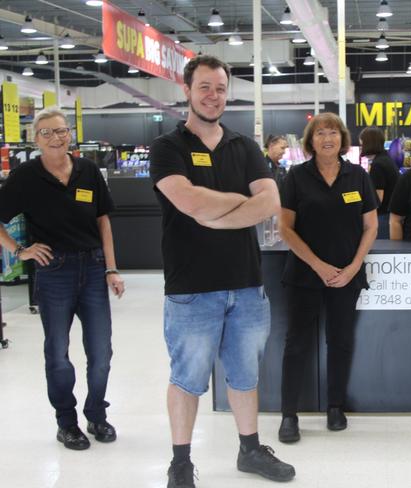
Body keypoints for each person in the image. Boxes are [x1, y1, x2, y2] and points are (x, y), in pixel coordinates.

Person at [149, 55, 295, 487]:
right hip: (191, 287)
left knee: (245, 376)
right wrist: (237, 205)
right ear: (187, 91)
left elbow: (269, 202)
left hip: (247, 286)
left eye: (220, 88)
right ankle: (181, 462)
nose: (213, 96)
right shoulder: (167, 148)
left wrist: (214, 211)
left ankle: (250, 450)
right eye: (205, 87)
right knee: (188, 379)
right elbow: (188, 202)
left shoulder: (244, 146)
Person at [0, 106, 124, 451]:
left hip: (94, 266)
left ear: (70, 133)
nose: (56, 138)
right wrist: (19, 249)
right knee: (57, 351)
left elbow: (103, 222)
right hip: (54, 271)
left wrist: (112, 268)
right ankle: (67, 422)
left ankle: (96, 414)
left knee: (101, 350)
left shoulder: (88, 171)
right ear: (35, 139)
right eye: (47, 133)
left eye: (61, 130)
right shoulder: (26, 175)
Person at [277, 112, 378, 443]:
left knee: (341, 341)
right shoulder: (296, 177)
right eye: (320, 133)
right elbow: (286, 229)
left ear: (343, 139)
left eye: (333, 132)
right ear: (310, 141)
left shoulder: (358, 176)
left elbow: (371, 226)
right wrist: (318, 265)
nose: (327, 138)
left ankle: (335, 407)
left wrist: (353, 268)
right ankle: (289, 414)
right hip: (305, 275)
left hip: (346, 277)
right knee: (297, 344)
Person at [360, 126, 399, 239]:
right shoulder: (386, 159)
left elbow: (377, 199)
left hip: (383, 218)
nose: (362, 148)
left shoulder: (378, 165)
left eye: (362, 145)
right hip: (390, 216)